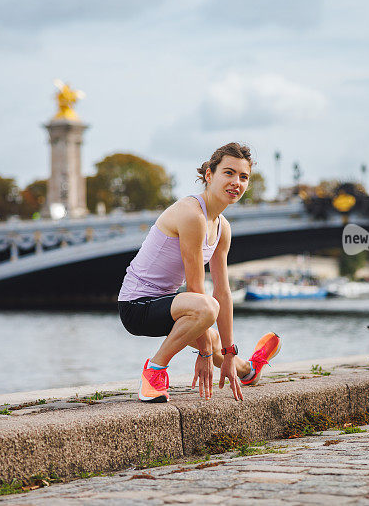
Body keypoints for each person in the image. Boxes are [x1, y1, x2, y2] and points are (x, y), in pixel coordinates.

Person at [117, 142, 281, 403]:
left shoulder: (222, 227)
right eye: (228, 173)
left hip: (169, 305)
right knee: (206, 312)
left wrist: (226, 353)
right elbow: (197, 291)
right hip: (137, 307)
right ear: (209, 175)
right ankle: (154, 371)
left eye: (243, 176)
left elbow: (223, 292)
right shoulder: (192, 214)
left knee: (216, 341)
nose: (236, 182)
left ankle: (249, 370)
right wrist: (203, 353)